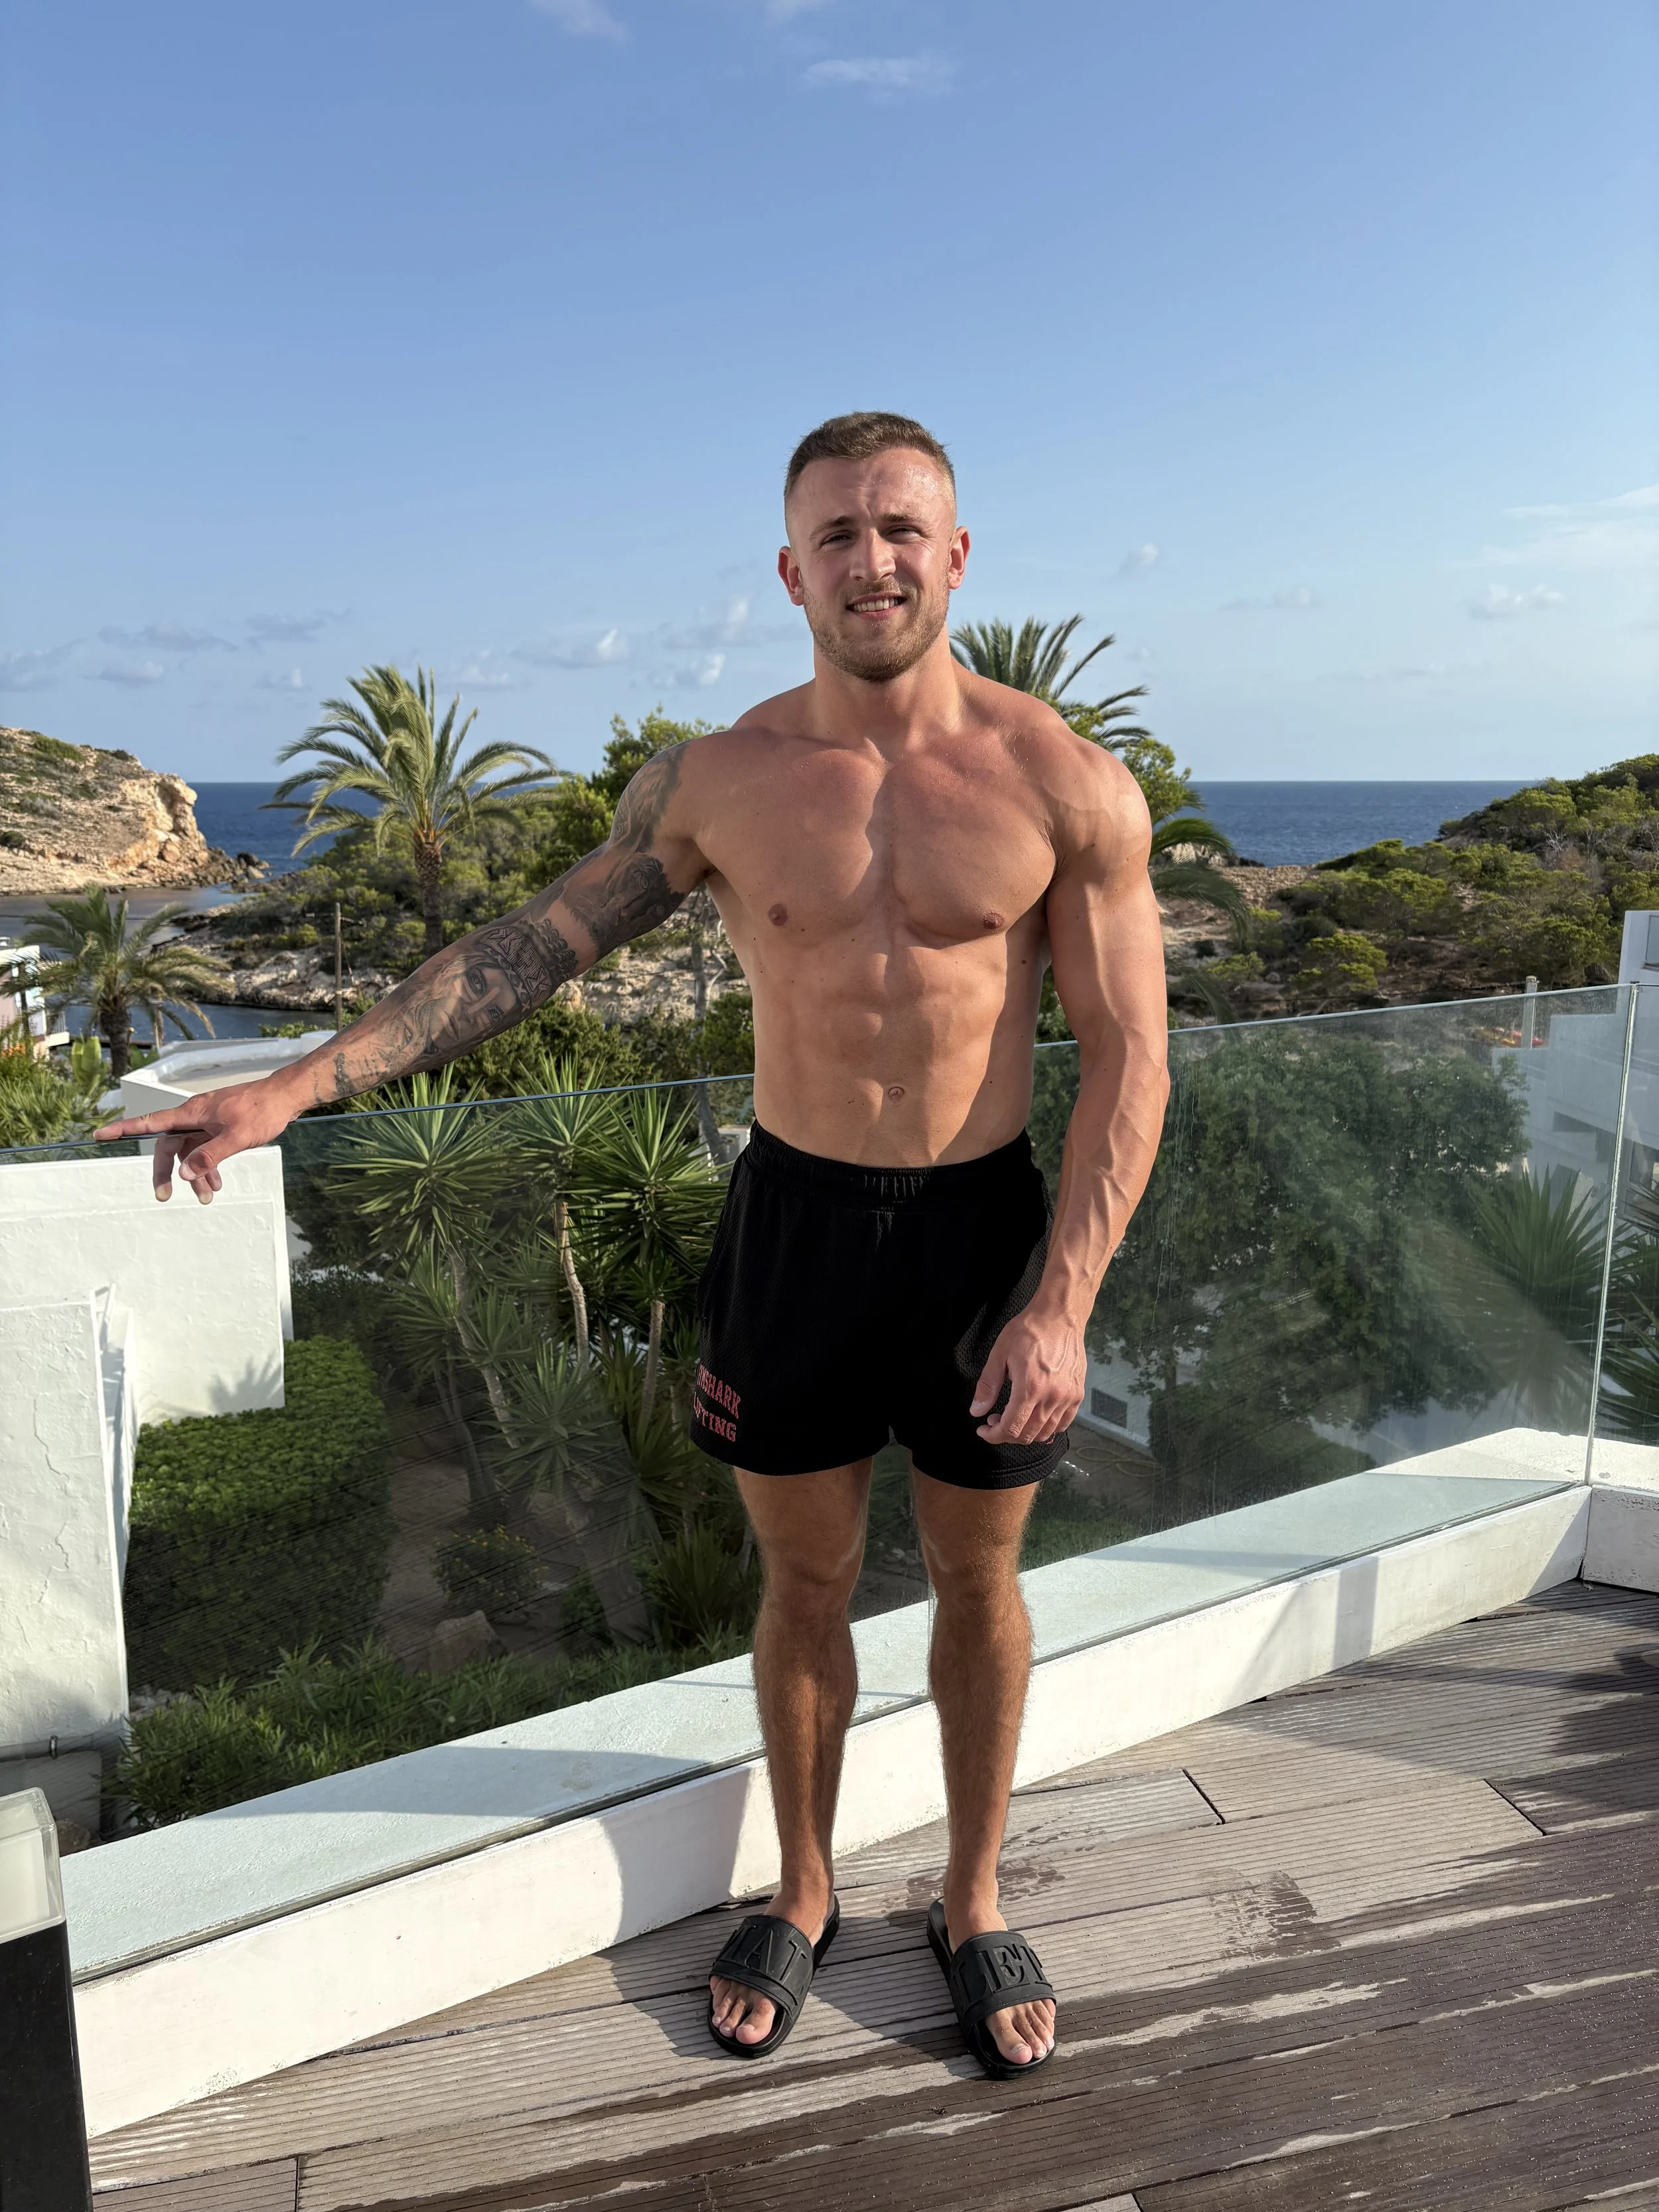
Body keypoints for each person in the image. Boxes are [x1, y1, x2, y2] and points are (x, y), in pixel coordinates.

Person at [98, 411, 1170, 2076]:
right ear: (787, 569)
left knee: (979, 1577)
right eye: (835, 533)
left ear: (954, 555)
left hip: (981, 1239)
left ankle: (968, 1895)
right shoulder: (718, 779)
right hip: (798, 1223)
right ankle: (804, 1891)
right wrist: (299, 1080)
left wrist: (1064, 1300)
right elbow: (530, 948)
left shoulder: (1064, 785)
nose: (868, 560)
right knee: (801, 1578)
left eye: (900, 528)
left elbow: (1128, 1055)